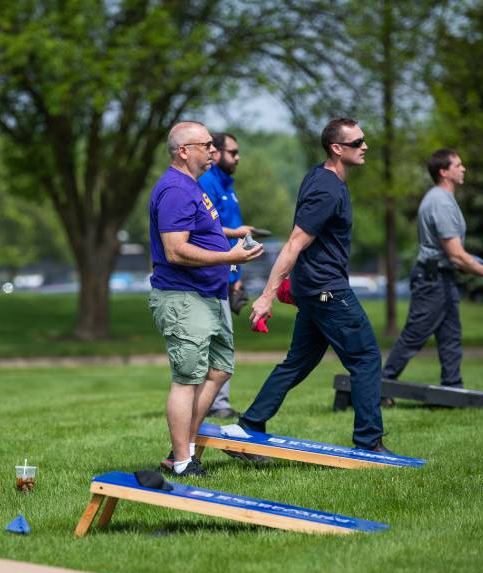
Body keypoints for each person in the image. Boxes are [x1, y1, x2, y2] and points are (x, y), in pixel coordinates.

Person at [238, 118, 396, 455]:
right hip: (327, 290)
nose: (365, 146)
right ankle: (370, 442)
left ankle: (250, 424)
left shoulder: (323, 177)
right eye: (357, 142)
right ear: (337, 149)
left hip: (314, 289)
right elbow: (295, 243)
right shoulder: (326, 188)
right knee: (366, 358)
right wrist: (267, 296)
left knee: (298, 362)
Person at [148, 121, 264, 477]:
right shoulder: (174, 189)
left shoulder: (193, 187)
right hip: (184, 298)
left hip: (209, 296)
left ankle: (183, 447)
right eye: (206, 145)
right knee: (187, 378)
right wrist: (230, 258)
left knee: (219, 369)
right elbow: (175, 250)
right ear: (184, 151)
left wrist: (230, 252)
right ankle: (183, 461)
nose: (213, 151)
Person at [382, 150, 483, 393]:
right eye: (458, 165)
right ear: (444, 172)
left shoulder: (444, 199)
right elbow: (455, 254)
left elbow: (454, 253)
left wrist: (472, 261)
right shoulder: (440, 201)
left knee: (450, 336)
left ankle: (452, 388)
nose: (464, 169)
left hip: (442, 277)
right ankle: (380, 386)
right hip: (432, 280)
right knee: (415, 335)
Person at [198, 132, 255, 420]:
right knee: (218, 342)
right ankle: (216, 404)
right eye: (233, 152)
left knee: (223, 340)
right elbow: (206, 230)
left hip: (227, 274)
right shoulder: (206, 183)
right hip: (210, 275)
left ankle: (215, 401)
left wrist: (237, 280)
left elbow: (233, 240)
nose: (237, 157)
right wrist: (240, 232)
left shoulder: (228, 187)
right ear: (217, 153)